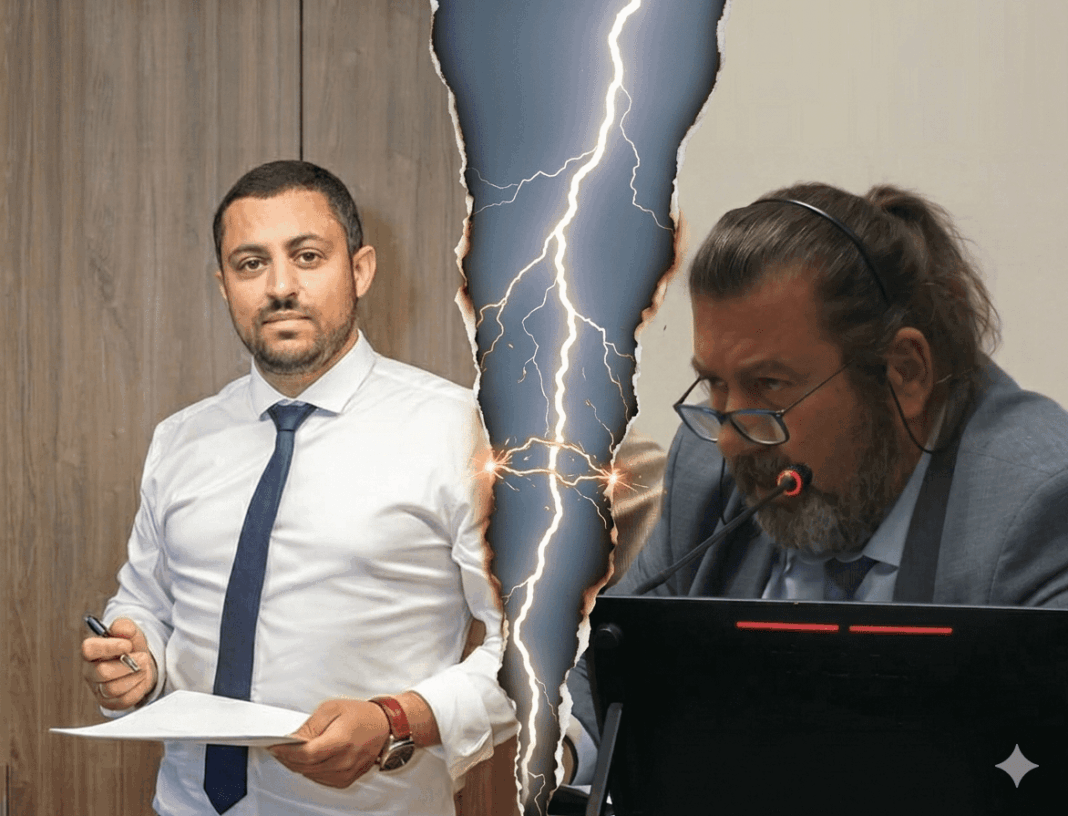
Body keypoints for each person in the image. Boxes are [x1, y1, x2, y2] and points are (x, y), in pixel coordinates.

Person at [564, 180, 1068, 782]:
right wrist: (559, 752)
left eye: (769, 387)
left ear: (904, 373)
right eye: (716, 385)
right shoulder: (708, 472)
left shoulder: (1036, 507)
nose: (730, 440)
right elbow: (606, 668)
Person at [80, 160, 516, 815]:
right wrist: (136, 660)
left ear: (360, 269)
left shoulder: (462, 433)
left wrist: (397, 720)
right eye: (251, 264)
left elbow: (534, 649)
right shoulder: (180, 440)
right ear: (224, 285)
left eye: (308, 256)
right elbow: (148, 603)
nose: (280, 286)